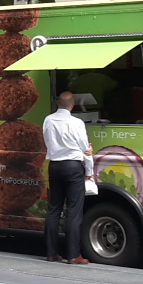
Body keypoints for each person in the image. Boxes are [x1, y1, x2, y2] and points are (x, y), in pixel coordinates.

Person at [42, 91, 94, 264]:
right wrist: (89, 171)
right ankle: (73, 255)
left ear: (58, 103)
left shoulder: (48, 120)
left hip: (55, 166)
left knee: (54, 209)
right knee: (74, 210)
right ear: (73, 105)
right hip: (73, 167)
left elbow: (47, 141)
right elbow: (85, 149)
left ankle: (51, 253)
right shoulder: (77, 123)